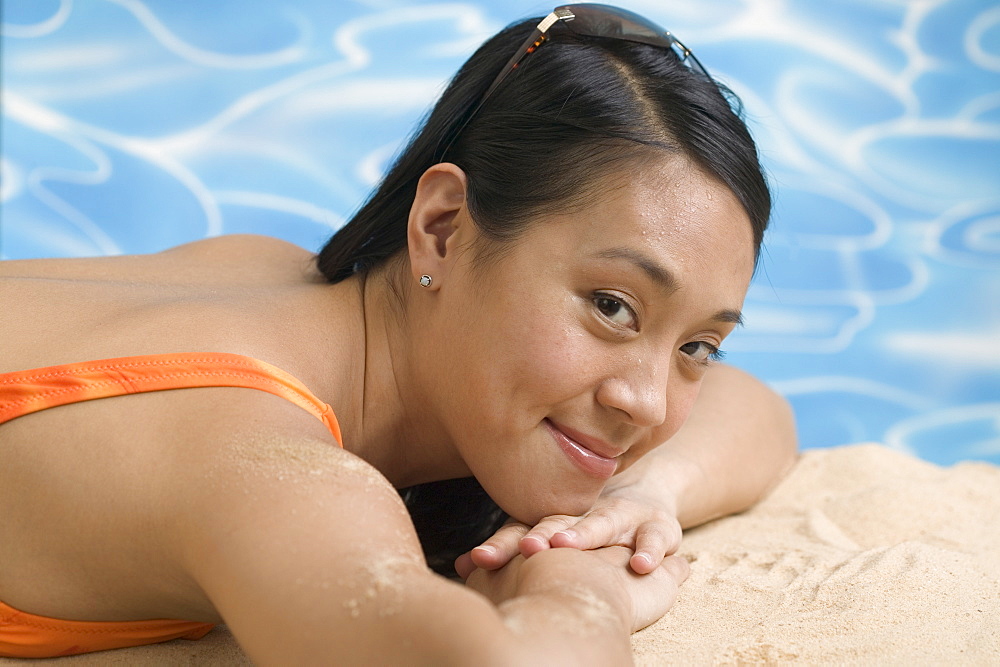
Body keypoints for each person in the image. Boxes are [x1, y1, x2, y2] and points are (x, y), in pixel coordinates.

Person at [0, 4, 796, 663]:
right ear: (443, 227)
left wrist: (646, 495)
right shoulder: (261, 462)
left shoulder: (279, 275)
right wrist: (580, 588)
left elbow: (759, 409)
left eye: (697, 345)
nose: (646, 405)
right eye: (611, 306)